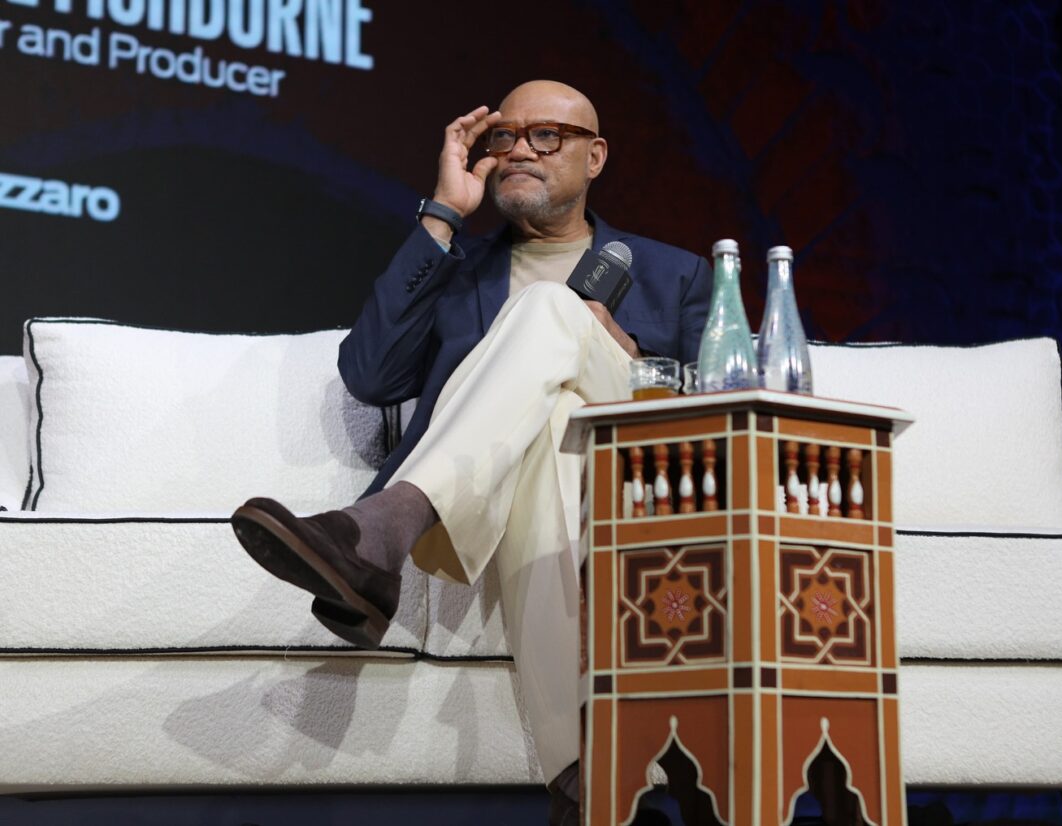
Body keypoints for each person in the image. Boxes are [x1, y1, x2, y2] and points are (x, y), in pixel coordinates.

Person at [230, 79, 712, 824]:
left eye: (545, 135)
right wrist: (443, 212)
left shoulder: (675, 274)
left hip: (641, 466)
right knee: (553, 428)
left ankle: (385, 527)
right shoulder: (458, 270)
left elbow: (716, 410)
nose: (518, 149)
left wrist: (619, 349)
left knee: (550, 307)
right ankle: (589, 787)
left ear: (595, 157)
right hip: (538, 483)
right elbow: (370, 376)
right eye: (503, 136)